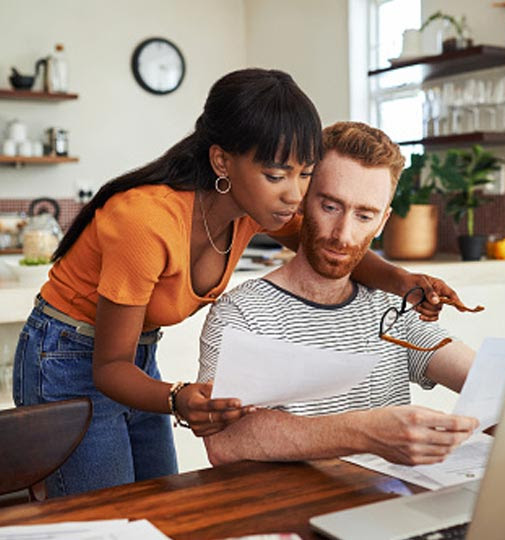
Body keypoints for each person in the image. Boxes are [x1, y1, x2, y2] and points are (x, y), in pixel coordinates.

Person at [13, 69, 460, 497]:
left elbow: (331, 245)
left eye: (305, 173)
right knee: (107, 519)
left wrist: (404, 281)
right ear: (222, 160)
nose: (295, 194)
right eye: (276, 174)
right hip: (68, 355)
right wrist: (178, 398)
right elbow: (109, 368)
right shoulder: (145, 222)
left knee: (160, 507)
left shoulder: (256, 209)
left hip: (135, 355)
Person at [198, 121, 480, 467]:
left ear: (382, 221)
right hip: (288, 516)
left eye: (364, 215)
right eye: (330, 207)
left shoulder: (390, 309)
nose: (343, 235)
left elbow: (482, 378)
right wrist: (363, 432)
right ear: (302, 200)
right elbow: (226, 441)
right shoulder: (242, 312)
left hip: (383, 506)